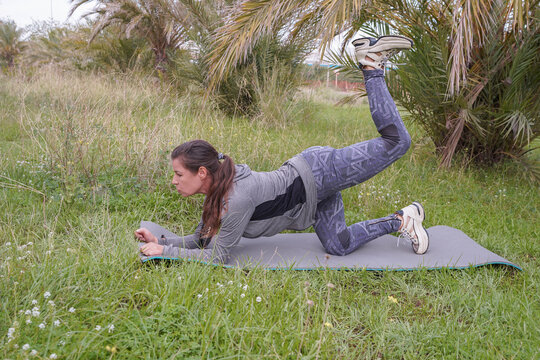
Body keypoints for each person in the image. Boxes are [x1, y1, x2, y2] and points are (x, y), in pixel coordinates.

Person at [136, 35, 429, 264]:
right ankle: (403, 220)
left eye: (178, 174)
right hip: (313, 198)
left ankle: (372, 65)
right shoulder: (217, 195)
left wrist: (165, 251)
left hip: (319, 172)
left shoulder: (235, 200)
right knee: (339, 246)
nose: (173, 181)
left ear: (201, 173)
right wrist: (162, 241)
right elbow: (202, 241)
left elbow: (216, 256)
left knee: (397, 142)